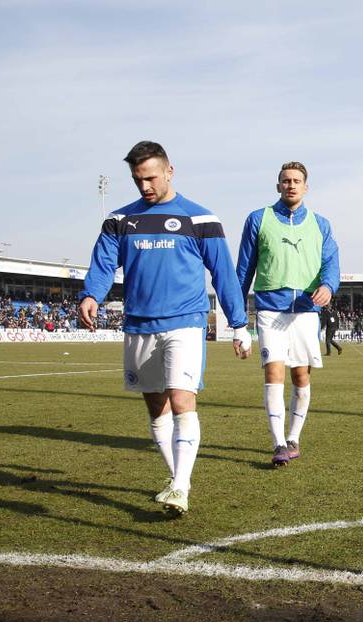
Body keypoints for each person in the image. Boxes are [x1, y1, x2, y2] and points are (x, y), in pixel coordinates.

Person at [77, 140, 251, 515]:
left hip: (185, 323)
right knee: (157, 408)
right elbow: (104, 263)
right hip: (139, 324)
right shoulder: (120, 220)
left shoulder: (201, 219)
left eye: (151, 178)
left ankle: (181, 486)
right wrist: (91, 294)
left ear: (170, 171)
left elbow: (223, 274)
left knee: (181, 399)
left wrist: (239, 324)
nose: (145, 186)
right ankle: (176, 479)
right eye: (138, 180)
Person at [236, 161, 341, 468]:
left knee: (301, 375)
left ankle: (293, 437)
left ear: (306, 187)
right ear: (278, 186)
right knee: (274, 372)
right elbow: (244, 270)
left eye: (296, 181)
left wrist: (328, 286)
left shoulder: (321, 224)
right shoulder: (258, 219)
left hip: (306, 311)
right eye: (286, 180)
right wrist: (237, 318)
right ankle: (278, 442)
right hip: (271, 309)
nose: (291, 185)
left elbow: (331, 262)